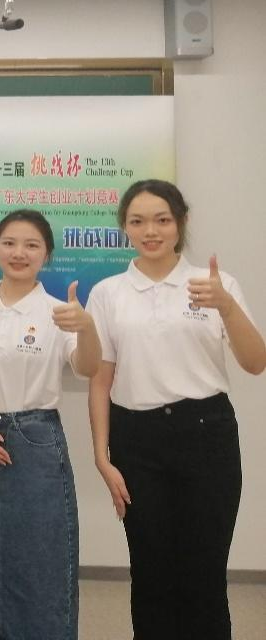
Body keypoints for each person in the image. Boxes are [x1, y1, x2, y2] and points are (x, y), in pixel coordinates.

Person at [87, 179, 265, 640]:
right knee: (151, 573)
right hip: (136, 440)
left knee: (205, 573)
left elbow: (255, 362)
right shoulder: (108, 293)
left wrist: (227, 307)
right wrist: (102, 456)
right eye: (138, 221)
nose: (151, 231)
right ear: (124, 227)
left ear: (180, 222)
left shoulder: (216, 285)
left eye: (162, 220)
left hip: (206, 434)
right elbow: (100, 380)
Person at [0, 209, 101, 640]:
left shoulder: (58, 311)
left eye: (32, 245)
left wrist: (87, 328)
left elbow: (87, 368)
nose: (19, 252)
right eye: (10, 243)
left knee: (43, 552)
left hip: (37, 437)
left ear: (46, 254)